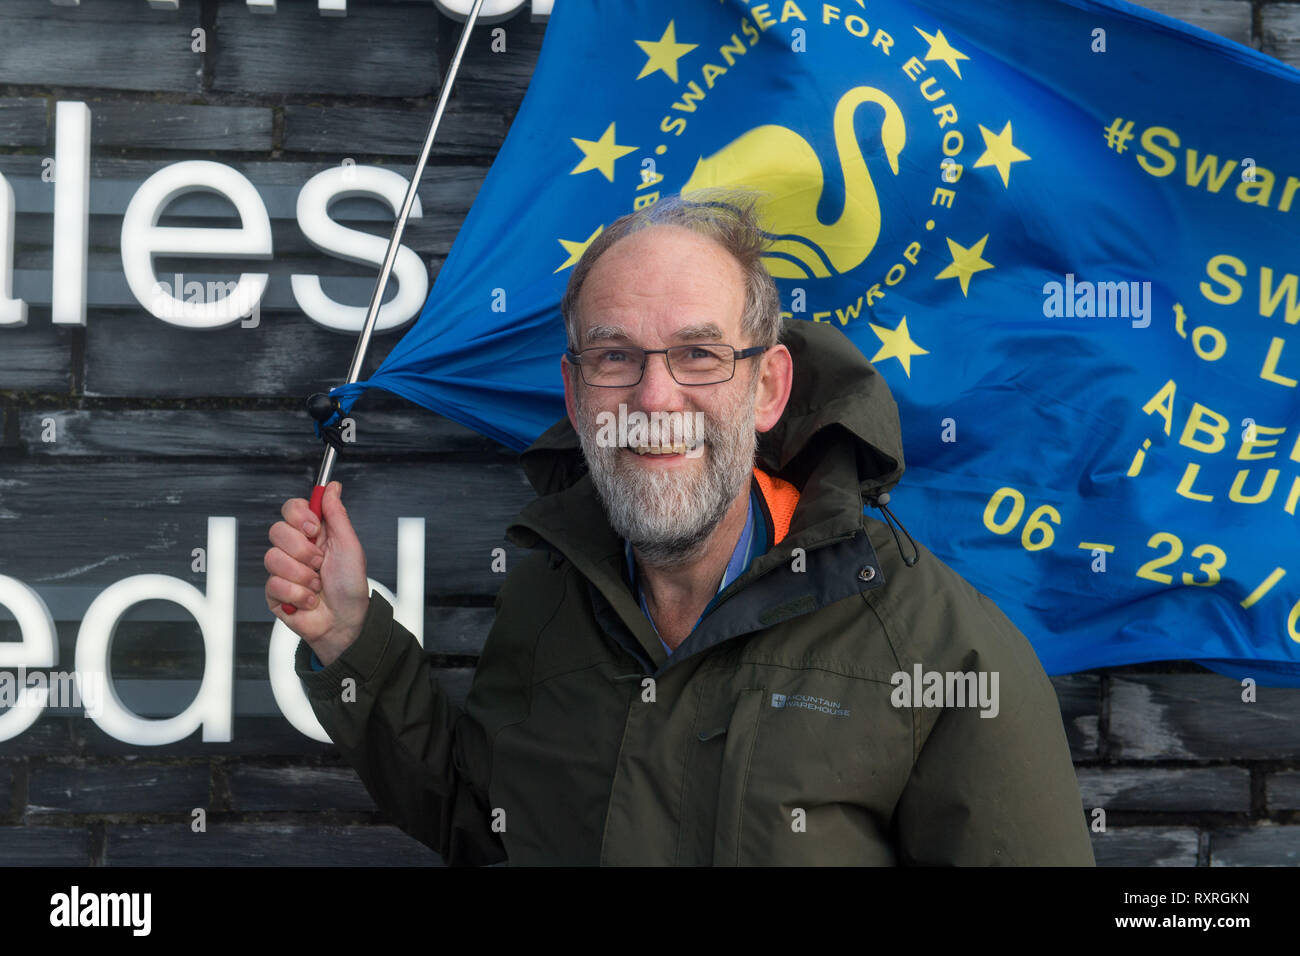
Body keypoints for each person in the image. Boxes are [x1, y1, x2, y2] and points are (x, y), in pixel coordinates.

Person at [264, 189, 1096, 866]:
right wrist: (351, 643)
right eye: (616, 356)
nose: (655, 400)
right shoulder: (551, 594)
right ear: (576, 391)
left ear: (767, 388)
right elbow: (484, 827)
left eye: (700, 355)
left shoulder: (942, 653)